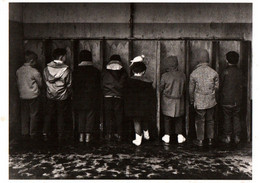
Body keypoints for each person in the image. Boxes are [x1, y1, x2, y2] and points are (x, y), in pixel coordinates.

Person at [189, 49, 219, 146]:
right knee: (210, 120)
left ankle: (200, 140)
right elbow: (217, 88)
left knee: (200, 120)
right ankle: (210, 139)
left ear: (198, 60)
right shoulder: (214, 73)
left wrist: (191, 100)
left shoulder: (194, 73)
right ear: (208, 59)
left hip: (199, 101)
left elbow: (191, 90)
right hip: (211, 101)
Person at [124, 55, 156, 146]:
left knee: (137, 121)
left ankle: (138, 139)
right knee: (145, 119)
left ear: (133, 70)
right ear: (144, 71)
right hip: (145, 106)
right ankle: (147, 135)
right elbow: (151, 96)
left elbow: (127, 95)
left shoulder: (129, 81)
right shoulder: (148, 82)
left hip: (134, 106)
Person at [42, 48, 72, 142]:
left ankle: (45, 133)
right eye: (65, 56)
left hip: (50, 94)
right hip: (62, 96)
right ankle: (60, 134)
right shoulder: (66, 69)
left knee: (48, 114)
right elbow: (69, 84)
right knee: (61, 115)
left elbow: (45, 81)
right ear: (61, 56)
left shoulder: (46, 69)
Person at [72, 50, 100, 143]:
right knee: (90, 115)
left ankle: (81, 136)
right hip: (91, 97)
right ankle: (88, 136)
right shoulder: (95, 71)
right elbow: (98, 85)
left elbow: (73, 85)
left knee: (81, 116)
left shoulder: (75, 71)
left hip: (79, 97)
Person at [16, 50, 42, 139]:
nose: (36, 63)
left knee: (24, 115)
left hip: (22, 95)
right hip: (33, 96)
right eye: (35, 61)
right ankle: (32, 133)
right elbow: (40, 84)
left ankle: (24, 132)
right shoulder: (34, 71)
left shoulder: (18, 70)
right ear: (31, 61)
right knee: (33, 114)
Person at [160, 56, 186, 144]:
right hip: (179, 100)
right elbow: (185, 88)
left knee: (167, 118)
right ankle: (179, 136)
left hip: (167, 100)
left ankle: (167, 135)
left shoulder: (164, 75)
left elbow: (160, 88)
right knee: (179, 118)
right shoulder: (182, 75)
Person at [102, 54, 127, 142]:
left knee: (108, 116)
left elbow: (102, 83)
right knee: (119, 116)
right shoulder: (123, 71)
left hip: (107, 96)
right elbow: (124, 84)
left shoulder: (105, 71)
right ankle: (119, 135)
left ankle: (109, 134)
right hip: (118, 96)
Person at [220, 51, 244, 144]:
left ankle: (228, 137)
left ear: (226, 60)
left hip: (226, 99)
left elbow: (220, 85)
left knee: (227, 118)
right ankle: (237, 137)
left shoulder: (225, 71)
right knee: (236, 117)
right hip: (237, 100)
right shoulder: (240, 71)